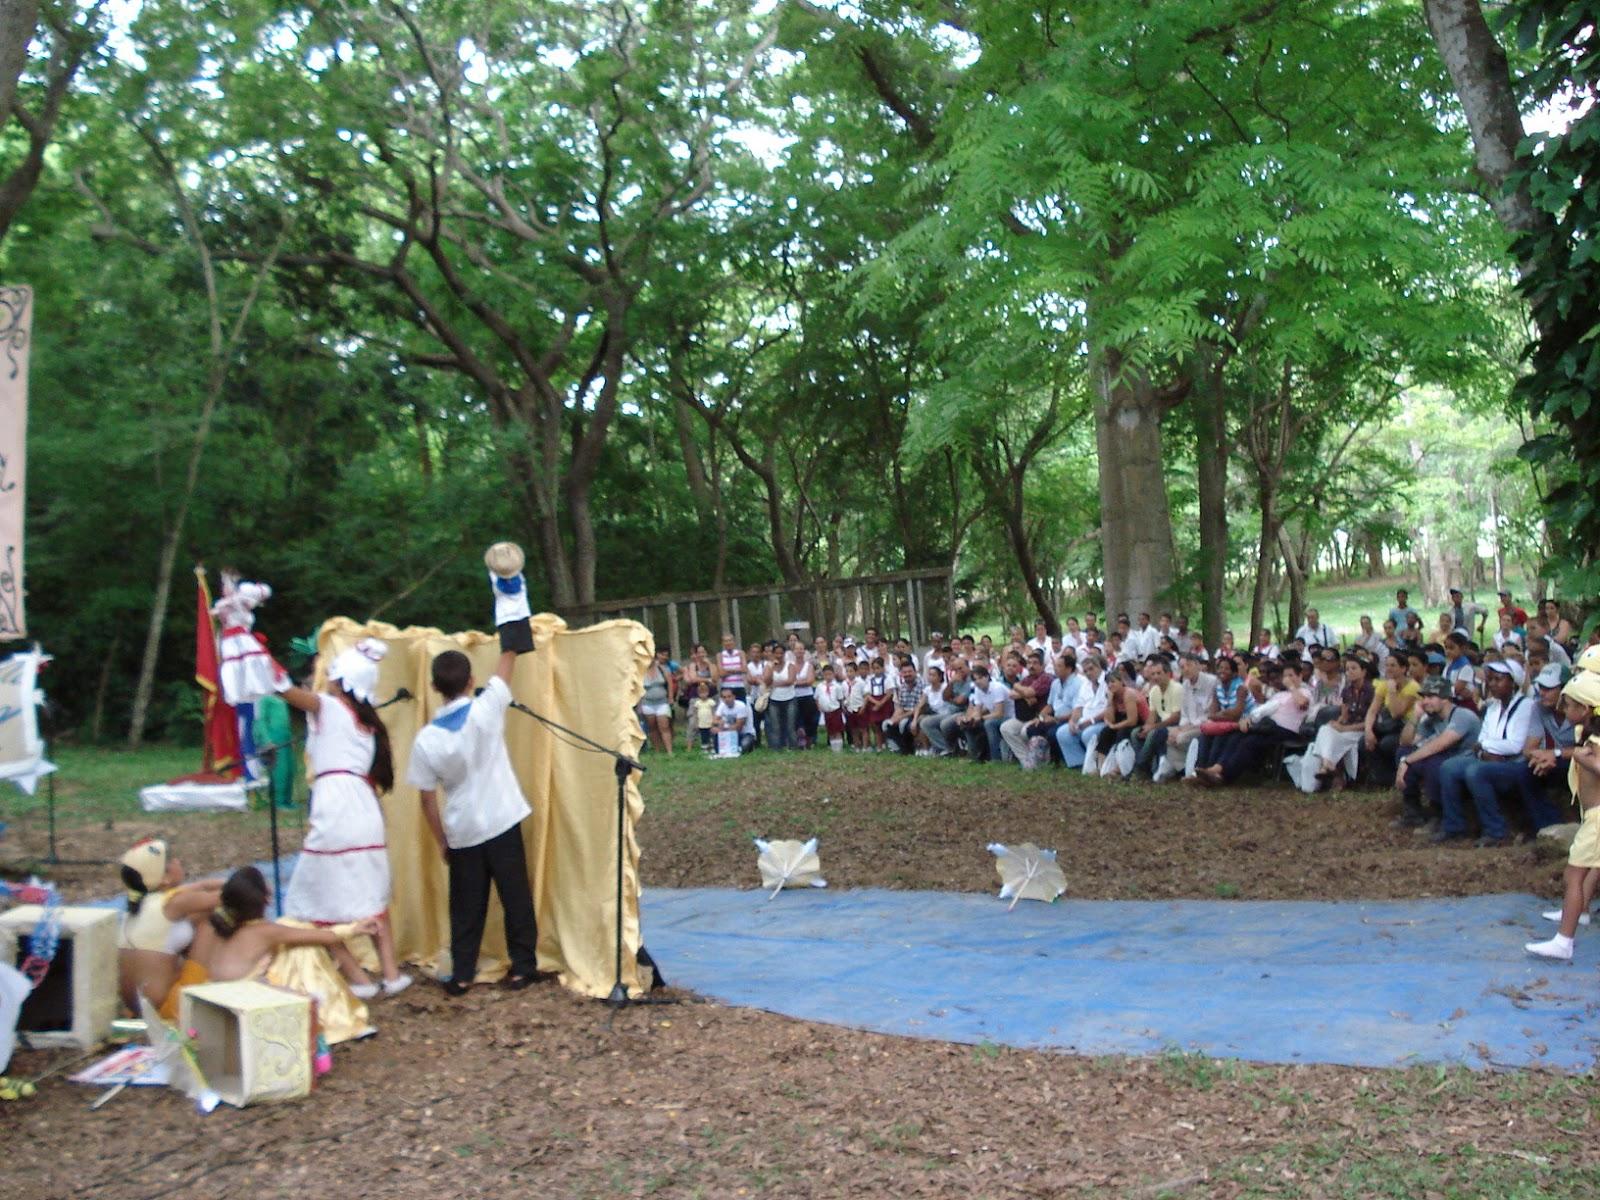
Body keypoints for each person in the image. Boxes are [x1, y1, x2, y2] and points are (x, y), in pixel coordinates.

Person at [278, 636, 410, 997]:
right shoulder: (369, 724)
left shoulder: (331, 708)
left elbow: (285, 692)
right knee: (371, 897)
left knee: (312, 900)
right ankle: (391, 973)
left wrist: (252, 651)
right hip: (364, 809)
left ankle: (359, 978)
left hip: (336, 808)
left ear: (340, 679)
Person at [408, 646, 543, 996]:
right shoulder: (486, 709)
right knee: (515, 897)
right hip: (501, 817)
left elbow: (426, 798)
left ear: (435, 687)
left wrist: (441, 840)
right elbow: (507, 661)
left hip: (462, 827)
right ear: (471, 681)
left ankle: (463, 974)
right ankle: (523, 967)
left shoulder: (426, 739)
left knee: (466, 906)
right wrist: (511, 611)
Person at [194, 866, 377, 1047]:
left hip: (214, 994)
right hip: (241, 1000)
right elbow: (324, 937)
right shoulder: (264, 931)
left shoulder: (219, 925)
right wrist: (354, 928)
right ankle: (338, 1021)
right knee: (302, 942)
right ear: (265, 899)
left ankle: (348, 999)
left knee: (291, 935)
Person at [1526, 673, 1600, 961]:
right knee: (1578, 874)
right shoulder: (1587, 737)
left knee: (1574, 874)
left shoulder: (1593, 740)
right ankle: (1573, 922)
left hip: (1598, 820)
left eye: (1569, 705)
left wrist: (1576, 756)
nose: (1563, 710)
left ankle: (1564, 941)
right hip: (1593, 817)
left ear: (1585, 709)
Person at [116, 839, 222, 1017]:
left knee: (189, 921)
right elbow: (234, 895)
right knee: (208, 920)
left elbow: (203, 886)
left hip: (135, 1008)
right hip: (166, 1009)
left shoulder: (143, 902)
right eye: (172, 860)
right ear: (165, 878)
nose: (178, 862)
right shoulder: (174, 902)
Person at [1434, 660, 1534, 847]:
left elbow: (1515, 745)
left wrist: (1486, 747)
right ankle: (1454, 826)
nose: (1493, 684)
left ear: (1513, 682)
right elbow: (1482, 738)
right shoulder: (1493, 706)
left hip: (1514, 761)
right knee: (1449, 767)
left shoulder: (1526, 706)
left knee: (1475, 772)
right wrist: (1485, 749)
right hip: (1488, 756)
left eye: (1499, 679)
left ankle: (1496, 831)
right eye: (1491, 679)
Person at [1191, 661, 1310, 787]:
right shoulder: (1280, 694)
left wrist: (1292, 687)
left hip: (1285, 729)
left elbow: (1302, 703)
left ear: (1300, 676)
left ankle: (1223, 775)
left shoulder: (1304, 691)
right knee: (1235, 734)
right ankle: (1211, 769)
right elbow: (1262, 710)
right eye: (1285, 676)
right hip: (1266, 726)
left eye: (1291, 675)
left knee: (1249, 742)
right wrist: (1249, 719)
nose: (1287, 679)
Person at [1391, 679, 1481, 837]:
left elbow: (1441, 744)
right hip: (1445, 757)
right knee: (1403, 751)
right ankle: (1412, 812)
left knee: (1431, 762)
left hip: (1465, 759)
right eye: (1423, 697)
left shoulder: (1462, 715)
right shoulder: (1432, 718)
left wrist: (1407, 761)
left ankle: (1439, 814)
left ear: (1446, 699)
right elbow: (1405, 742)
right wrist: (1415, 716)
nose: (1425, 701)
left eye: (1431, 697)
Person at [1297, 657, 1376, 792]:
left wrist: (1344, 728)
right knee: (1326, 729)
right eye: (1347, 669)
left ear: (1363, 672)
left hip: (1362, 730)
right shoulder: (1347, 691)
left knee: (1329, 734)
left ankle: (1327, 766)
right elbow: (1344, 716)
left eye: (1354, 668)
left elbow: (1371, 721)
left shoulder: (1371, 691)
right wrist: (1337, 722)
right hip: (1347, 730)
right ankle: (1328, 765)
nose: (1349, 672)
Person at [1131, 657, 1183, 781]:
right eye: (1153, 674)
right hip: (1161, 724)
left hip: (1176, 725)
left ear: (1168, 674)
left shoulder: (1177, 688)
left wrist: (1152, 727)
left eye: (1159, 673)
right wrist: (1146, 727)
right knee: (1135, 733)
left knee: (1153, 733)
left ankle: (1139, 767)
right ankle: (1145, 768)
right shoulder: (1154, 690)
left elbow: (1176, 717)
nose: (1155, 677)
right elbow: (1152, 715)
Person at [639, 647, 676, 755]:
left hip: (662, 701)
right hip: (647, 702)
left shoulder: (662, 668)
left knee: (664, 726)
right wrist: (640, 704)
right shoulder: (640, 670)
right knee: (652, 727)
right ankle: (657, 750)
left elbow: (669, 683)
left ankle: (669, 751)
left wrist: (670, 697)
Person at [883, 661, 926, 754]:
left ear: (915, 672)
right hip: (906, 713)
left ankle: (911, 748)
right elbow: (901, 707)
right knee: (888, 724)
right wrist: (894, 718)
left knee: (903, 723)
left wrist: (901, 717)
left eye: (909, 671)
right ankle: (900, 748)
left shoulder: (922, 685)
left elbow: (918, 707)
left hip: (920, 713)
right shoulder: (902, 687)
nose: (907, 674)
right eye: (904, 672)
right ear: (901, 674)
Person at [712, 685, 756, 755]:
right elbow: (714, 721)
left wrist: (723, 728)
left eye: (729, 696)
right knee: (714, 729)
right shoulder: (722, 705)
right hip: (728, 732)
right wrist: (719, 724)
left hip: (744, 734)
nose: (727, 699)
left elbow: (738, 727)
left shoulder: (741, 706)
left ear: (734, 697)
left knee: (743, 747)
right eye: (724, 697)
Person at [815, 663, 848, 752]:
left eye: (830, 674)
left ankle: (839, 748)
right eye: (826, 674)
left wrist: (842, 710)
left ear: (833, 674)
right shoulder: (820, 686)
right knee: (830, 730)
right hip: (826, 711)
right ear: (823, 675)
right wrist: (819, 707)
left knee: (837, 729)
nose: (828, 676)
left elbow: (840, 699)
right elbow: (817, 698)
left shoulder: (837, 686)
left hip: (835, 710)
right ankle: (833, 747)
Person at [714, 633, 747, 701]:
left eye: (730, 640)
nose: (728, 643)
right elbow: (721, 673)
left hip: (739, 686)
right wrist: (737, 670)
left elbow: (744, 669)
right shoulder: (720, 655)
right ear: (723, 643)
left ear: (734, 642)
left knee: (741, 709)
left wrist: (728, 670)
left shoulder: (741, 653)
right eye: (726, 641)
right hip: (726, 687)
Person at [690, 680, 718, 751]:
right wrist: (696, 722)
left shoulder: (711, 702)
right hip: (702, 724)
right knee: (703, 737)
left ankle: (712, 748)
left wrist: (714, 721)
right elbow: (695, 713)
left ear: (708, 693)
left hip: (710, 723)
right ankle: (704, 748)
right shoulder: (697, 703)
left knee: (711, 736)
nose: (703, 695)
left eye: (705, 693)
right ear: (698, 694)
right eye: (701, 693)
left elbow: (713, 711)